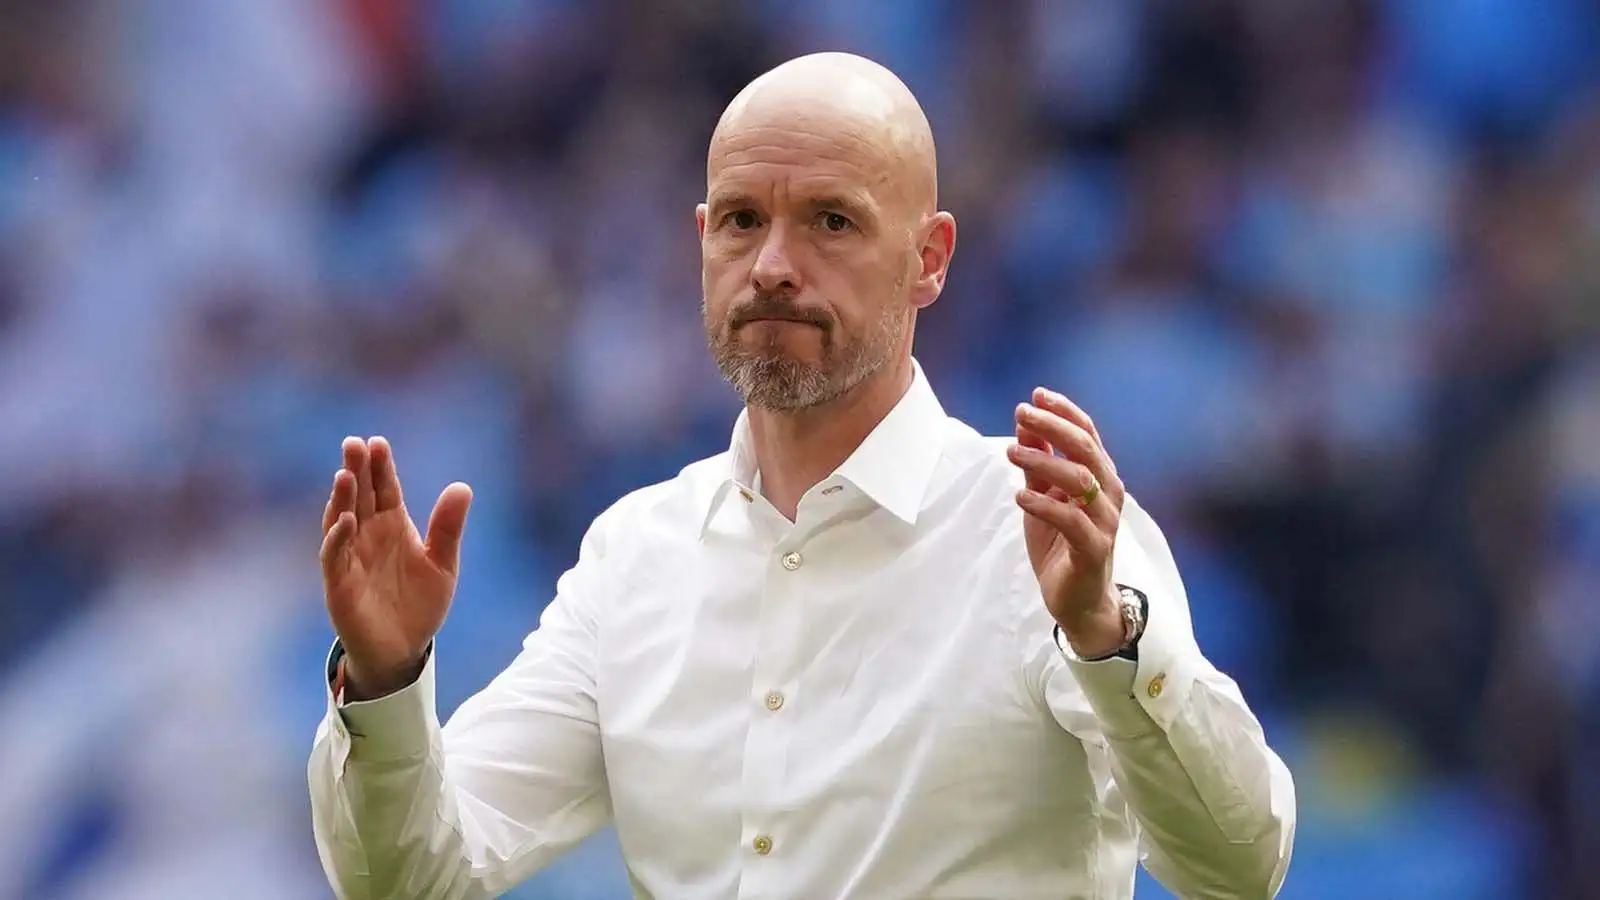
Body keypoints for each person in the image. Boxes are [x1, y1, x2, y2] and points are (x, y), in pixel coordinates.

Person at [309, 52, 1296, 899]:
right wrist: (387, 684)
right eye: (741, 220)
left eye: (830, 221)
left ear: (929, 259)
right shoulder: (636, 555)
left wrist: (1107, 640)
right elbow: (412, 879)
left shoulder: (1040, 532)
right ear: (701, 242)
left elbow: (1236, 867)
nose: (774, 265)